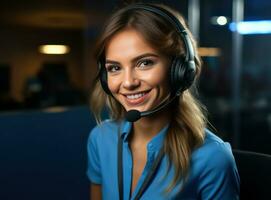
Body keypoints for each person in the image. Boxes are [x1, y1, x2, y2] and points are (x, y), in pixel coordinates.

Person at [87, 3, 240, 200]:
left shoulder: (213, 158)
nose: (128, 83)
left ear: (181, 69)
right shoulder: (100, 138)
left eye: (145, 63)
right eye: (114, 68)